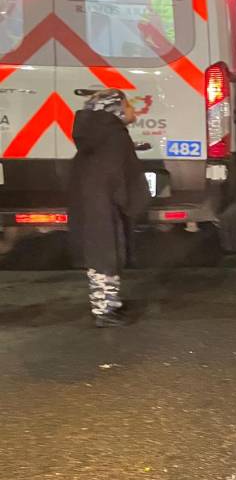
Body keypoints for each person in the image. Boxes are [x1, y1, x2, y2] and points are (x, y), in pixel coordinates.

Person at [68, 89, 150, 328]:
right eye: (127, 106)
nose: (132, 111)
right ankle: (104, 311)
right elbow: (122, 173)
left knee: (100, 253)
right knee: (106, 254)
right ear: (113, 109)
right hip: (107, 203)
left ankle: (108, 303)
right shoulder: (114, 135)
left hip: (93, 201)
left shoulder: (95, 133)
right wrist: (133, 202)